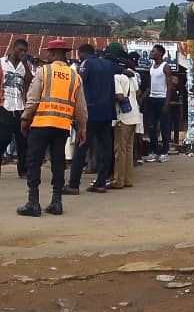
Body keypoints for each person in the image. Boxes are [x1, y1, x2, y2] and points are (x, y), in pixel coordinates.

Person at [17, 40, 87, 216]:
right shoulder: (75, 77)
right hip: (62, 126)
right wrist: (82, 128)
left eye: (49, 52)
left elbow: (33, 99)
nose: (47, 55)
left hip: (41, 124)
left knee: (34, 161)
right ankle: (56, 202)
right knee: (58, 162)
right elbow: (81, 108)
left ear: (55, 53)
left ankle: (33, 202)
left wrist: (25, 119)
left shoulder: (44, 71)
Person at [63, 43, 119, 194]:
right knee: (105, 149)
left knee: (81, 148)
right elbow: (123, 71)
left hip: (90, 112)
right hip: (107, 112)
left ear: (82, 54)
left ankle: (74, 185)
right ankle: (100, 183)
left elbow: (79, 83)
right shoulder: (108, 64)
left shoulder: (87, 64)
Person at [0, 38, 32, 178]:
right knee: (3, 138)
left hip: (20, 107)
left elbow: (30, 81)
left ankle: (23, 170)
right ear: (13, 49)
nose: (22, 53)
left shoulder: (26, 66)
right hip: (4, 106)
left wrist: (25, 64)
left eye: (25, 51)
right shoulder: (2, 62)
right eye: (20, 50)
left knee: (23, 141)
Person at [112, 57, 140, 189]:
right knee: (129, 149)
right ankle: (128, 179)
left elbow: (119, 95)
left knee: (120, 149)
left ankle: (119, 180)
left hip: (123, 116)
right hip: (134, 115)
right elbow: (138, 92)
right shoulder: (132, 77)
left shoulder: (117, 77)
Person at [145, 44, 173, 162]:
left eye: (154, 51)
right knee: (151, 127)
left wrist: (166, 103)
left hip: (162, 99)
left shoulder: (165, 67)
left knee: (164, 127)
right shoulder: (151, 67)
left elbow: (169, 86)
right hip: (152, 99)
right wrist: (144, 97)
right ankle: (154, 152)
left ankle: (165, 152)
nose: (151, 53)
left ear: (160, 53)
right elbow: (150, 85)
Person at [168, 75, 183, 148]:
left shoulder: (179, 89)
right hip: (170, 111)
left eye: (177, 79)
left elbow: (181, 100)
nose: (177, 81)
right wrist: (176, 103)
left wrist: (178, 103)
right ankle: (168, 140)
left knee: (176, 127)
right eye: (175, 79)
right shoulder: (168, 89)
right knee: (169, 126)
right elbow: (168, 102)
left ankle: (176, 140)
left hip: (177, 111)